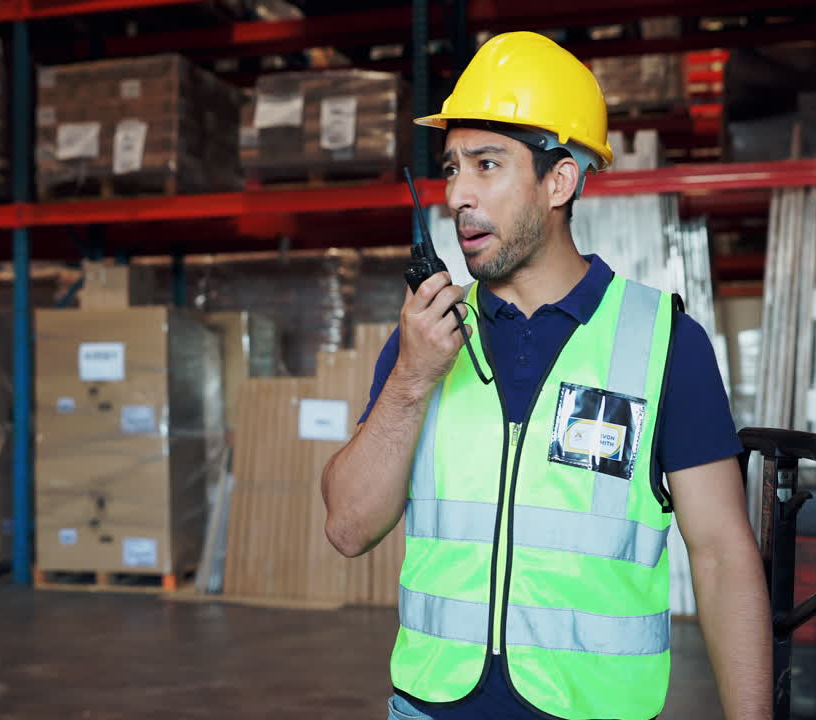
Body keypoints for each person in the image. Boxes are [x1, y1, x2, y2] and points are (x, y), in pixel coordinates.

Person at [320, 32, 772, 720]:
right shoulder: (425, 339)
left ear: (559, 180)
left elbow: (721, 557)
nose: (459, 194)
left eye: (488, 164)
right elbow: (349, 528)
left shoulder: (663, 344)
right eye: (451, 169)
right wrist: (411, 380)